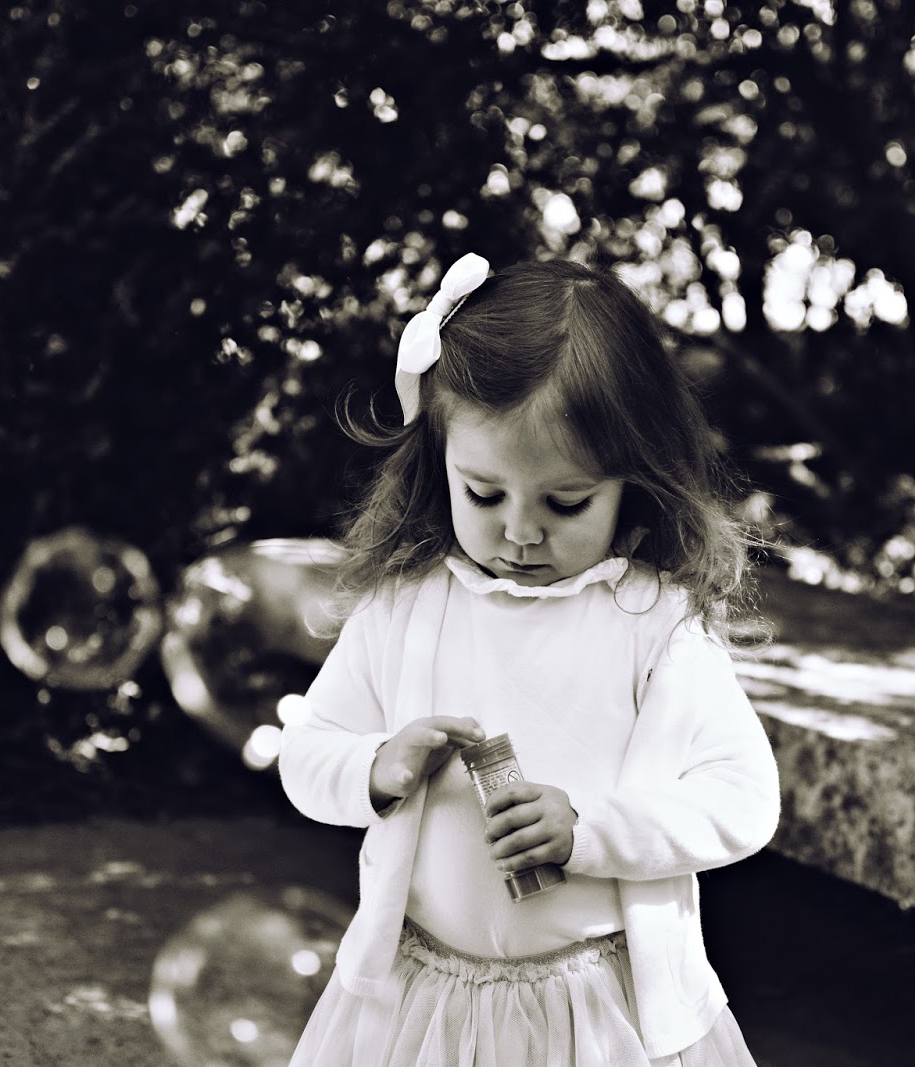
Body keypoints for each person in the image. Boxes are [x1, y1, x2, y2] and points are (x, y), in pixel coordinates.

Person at [278, 252, 781, 1066]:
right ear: (437, 457)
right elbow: (305, 751)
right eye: (483, 493)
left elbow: (742, 799)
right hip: (422, 1003)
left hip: (596, 1009)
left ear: (633, 479)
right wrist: (375, 765)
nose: (520, 531)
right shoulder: (405, 608)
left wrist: (590, 830)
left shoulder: (653, 623)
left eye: (566, 502)